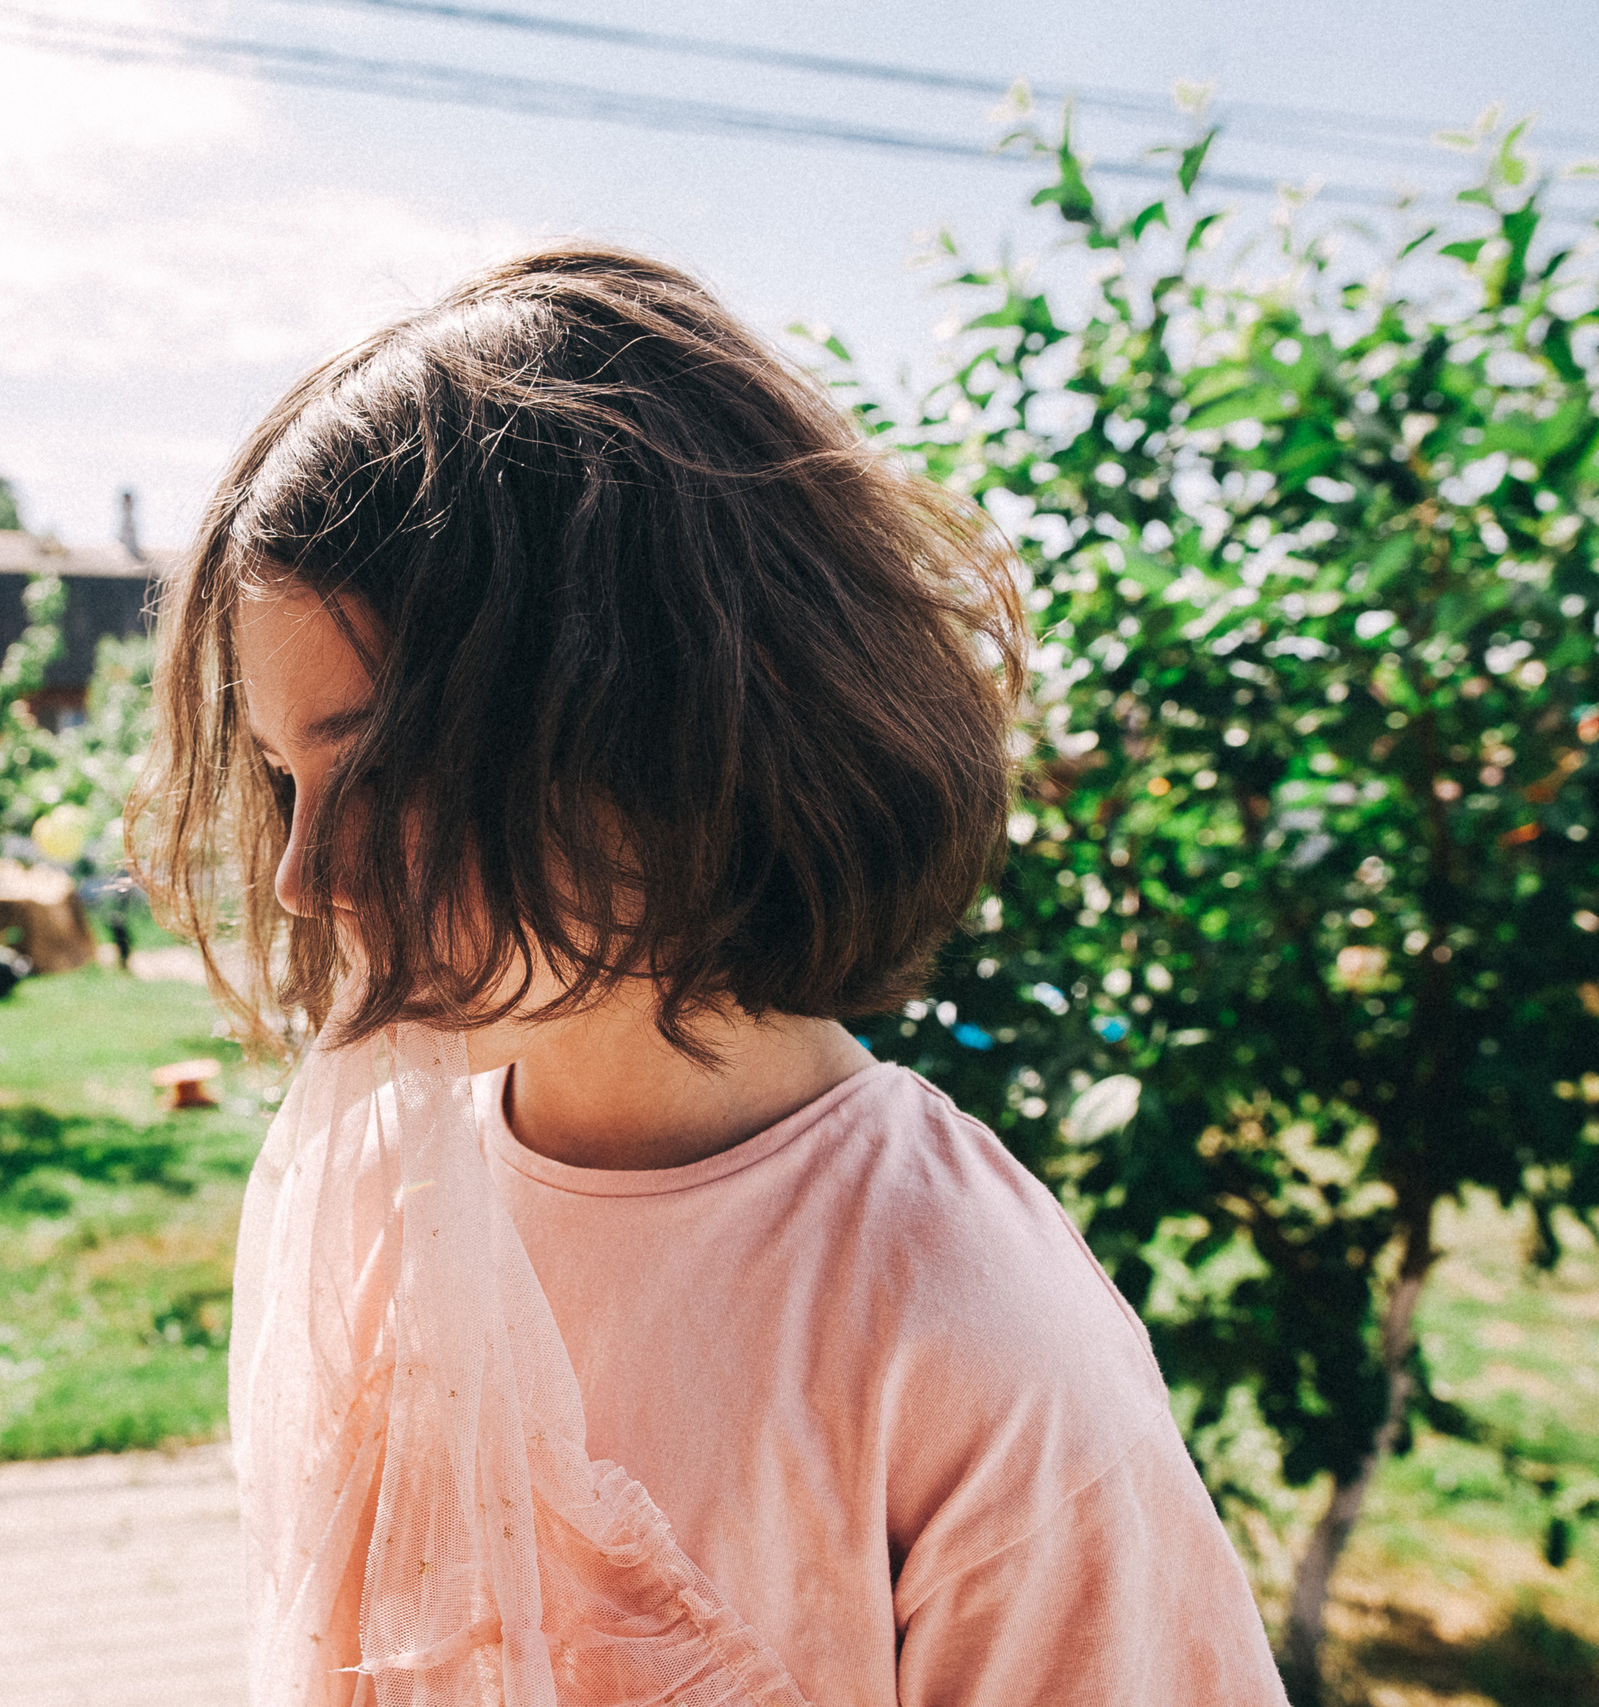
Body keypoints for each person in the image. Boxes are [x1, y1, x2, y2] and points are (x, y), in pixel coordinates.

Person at [131, 247, 1285, 1706]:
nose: (308, 879)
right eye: (284, 782)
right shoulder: (373, 1194)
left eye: (386, 770)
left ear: (657, 719)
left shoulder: (965, 1330)